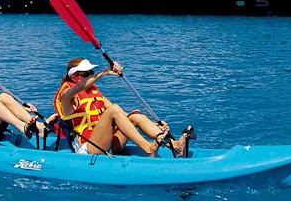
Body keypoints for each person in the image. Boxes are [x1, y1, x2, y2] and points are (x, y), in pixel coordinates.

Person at [53, 58, 190, 157]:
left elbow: (123, 115)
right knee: (114, 109)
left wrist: (153, 125)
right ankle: (148, 148)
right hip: (89, 147)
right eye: (87, 73)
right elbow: (78, 89)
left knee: (135, 114)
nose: (91, 75)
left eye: (92, 72)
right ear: (75, 76)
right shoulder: (66, 96)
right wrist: (104, 72)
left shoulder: (93, 93)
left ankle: (174, 145)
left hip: (108, 142)